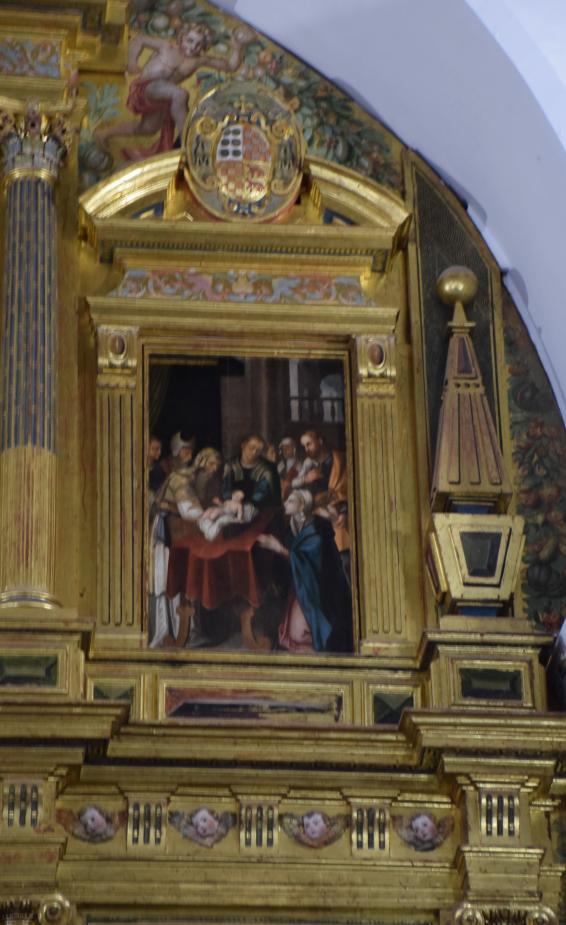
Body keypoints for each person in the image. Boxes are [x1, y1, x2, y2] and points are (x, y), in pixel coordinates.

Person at [95, 22, 254, 160]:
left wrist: (237, 48)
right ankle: (187, 137)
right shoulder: (167, 47)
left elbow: (231, 66)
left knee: (147, 129)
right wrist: (132, 63)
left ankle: (104, 133)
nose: (193, 47)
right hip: (147, 88)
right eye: (190, 41)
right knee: (181, 94)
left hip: (165, 98)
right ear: (182, 37)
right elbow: (139, 40)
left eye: (199, 44)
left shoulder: (198, 60)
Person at [257, 489, 352, 653]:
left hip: (320, 591)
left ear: (302, 506)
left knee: (300, 635)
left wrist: (277, 548)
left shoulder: (316, 532)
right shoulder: (293, 526)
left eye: (291, 501)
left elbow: (307, 564)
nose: (285, 504)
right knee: (289, 632)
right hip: (302, 585)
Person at [292, 429, 349, 558]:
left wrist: (344, 512)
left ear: (320, 441)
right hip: (315, 519)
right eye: (304, 446)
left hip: (337, 518)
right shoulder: (309, 465)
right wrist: (306, 479)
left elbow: (345, 491)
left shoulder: (339, 462)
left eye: (309, 444)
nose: (306, 449)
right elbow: (296, 486)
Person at [222, 433, 281, 514]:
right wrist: (232, 494)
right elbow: (224, 490)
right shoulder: (230, 465)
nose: (254, 452)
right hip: (231, 506)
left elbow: (262, 495)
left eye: (258, 450)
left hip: (260, 510)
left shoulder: (267, 468)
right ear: (243, 445)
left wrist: (243, 496)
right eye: (251, 448)